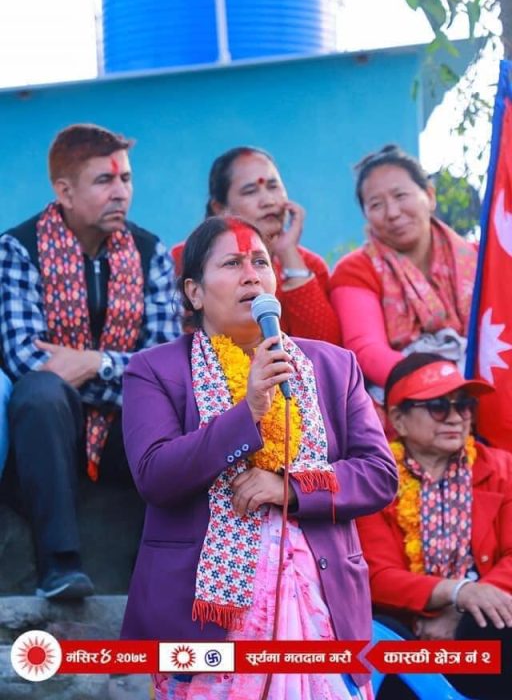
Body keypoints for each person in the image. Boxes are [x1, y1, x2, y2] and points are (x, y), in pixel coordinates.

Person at [122, 216, 397, 700]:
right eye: (232, 263)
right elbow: (155, 475)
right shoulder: (155, 370)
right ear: (194, 292)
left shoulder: (333, 366)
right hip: (205, 624)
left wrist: (290, 488)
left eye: (261, 263)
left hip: (321, 605)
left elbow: (378, 474)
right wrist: (247, 412)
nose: (251, 275)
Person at [0, 123, 181, 599]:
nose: (121, 192)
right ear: (64, 192)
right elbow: (26, 359)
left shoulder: (150, 253)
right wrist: (122, 372)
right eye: (105, 180)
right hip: (50, 432)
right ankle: (59, 568)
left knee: (176, 407)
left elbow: (164, 366)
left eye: (126, 179)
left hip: (123, 429)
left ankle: (175, 576)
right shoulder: (18, 249)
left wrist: (95, 363)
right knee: (41, 394)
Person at [356, 353, 512, 700]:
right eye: (439, 407)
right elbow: (378, 577)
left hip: (479, 626)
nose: (455, 418)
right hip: (407, 628)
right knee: (381, 638)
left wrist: (465, 606)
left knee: (501, 622)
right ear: (399, 418)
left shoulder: (502, 469)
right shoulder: (374, 479)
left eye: (464, 405)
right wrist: (455, 592)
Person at [330, 144, 477, 409]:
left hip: (486, 386)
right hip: (407, 402)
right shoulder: (355, 269)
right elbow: (367, 350)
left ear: (429, 196)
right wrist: (440, 386)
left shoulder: (480, 258)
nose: (393, 213)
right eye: (376, 204)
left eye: (400, 195)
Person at [171, 146, 341, 343]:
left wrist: (288, 255)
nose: (268, 201)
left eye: (273, 186)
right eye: (250, 191)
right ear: (220, 208)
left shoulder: (308, 266)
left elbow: (326, 351)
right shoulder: (183, 260)